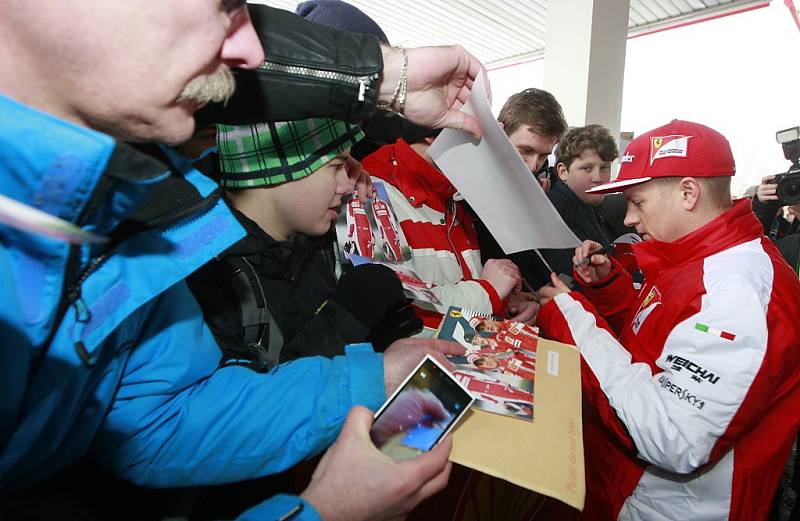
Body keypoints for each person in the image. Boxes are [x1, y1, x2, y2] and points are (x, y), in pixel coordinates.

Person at [0, 1, 486, 519]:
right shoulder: (189, 240)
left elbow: (160, 416)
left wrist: (376, 378)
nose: (251, 48)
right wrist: (323, 511)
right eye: (223, 5)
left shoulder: (125, 209)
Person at [536, 120, 800, 520]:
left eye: (638, 202)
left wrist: (570, 315)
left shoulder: (741, 293)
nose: (628, 219)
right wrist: (609, 288)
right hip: (626, 487)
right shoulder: (700, 260)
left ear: (688, 193)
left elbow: (672, 437)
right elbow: (660, 343)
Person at [187, 118, 419, 372]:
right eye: (336, 167)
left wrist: (377, 340)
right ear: (279, 168)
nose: (348, 184)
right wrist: (348, 318)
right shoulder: (206, 275)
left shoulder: (313, 236)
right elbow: (254, 400)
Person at [360, 126, 537, 332]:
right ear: (435, 131)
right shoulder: (367, 195)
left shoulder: (453, 198)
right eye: (479, 139)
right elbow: (390, 307)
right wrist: (488, 292)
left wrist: (504, 307)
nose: (489, 153)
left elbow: (460, 293)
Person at [469, 88, 569, 288]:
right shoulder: (462, 189)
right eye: (525, 150)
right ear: (499, 133)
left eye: (543, 156)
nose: (533, 166)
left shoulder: (534, 192)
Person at [539, 124, 619, 279]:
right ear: (563, 172)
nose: (598, 178)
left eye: (604, 168)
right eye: (587, 169)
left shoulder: (587, 206)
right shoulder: (558, 214)